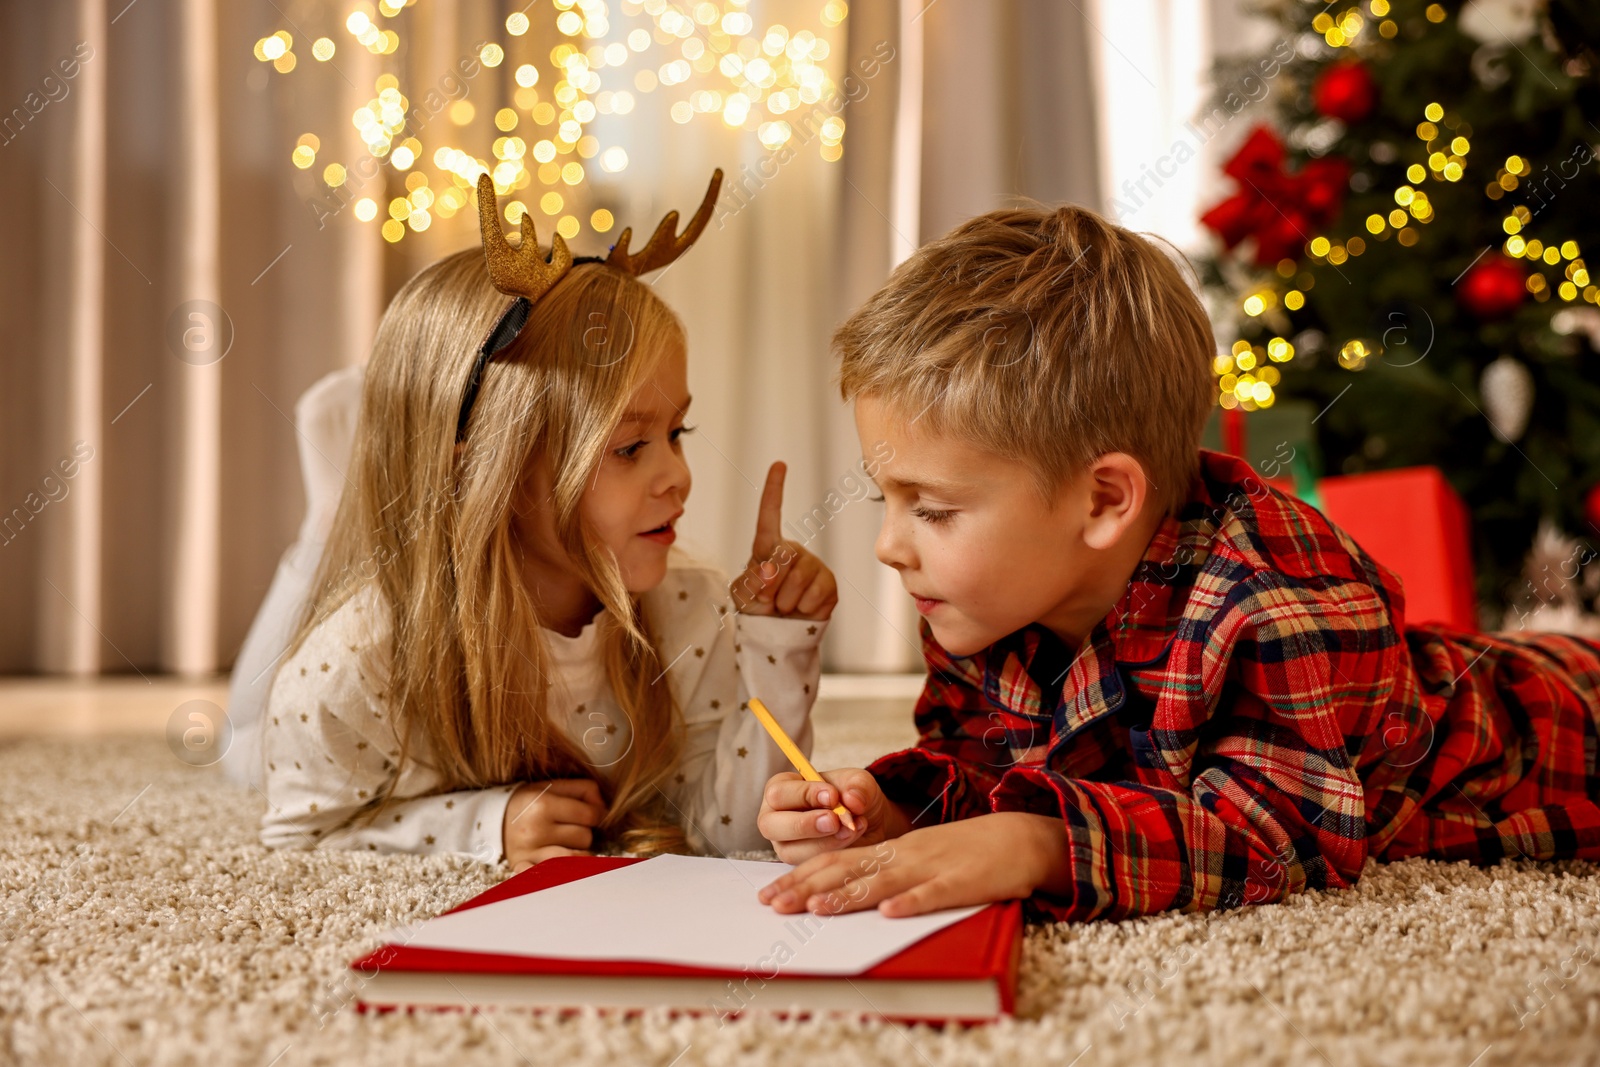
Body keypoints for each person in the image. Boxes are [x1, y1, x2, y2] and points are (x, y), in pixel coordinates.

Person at [755, 203, 1600, 921]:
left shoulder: (1279, 598)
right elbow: (980, 765)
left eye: (932, 509)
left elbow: (1273, 841)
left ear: (1103, 500)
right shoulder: (976, 596)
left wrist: (1041, 843)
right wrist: (892, 806)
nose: (888, 546)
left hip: (1560, 725)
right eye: (887, 500)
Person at [261, 170, 838, 871]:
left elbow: (731, 833)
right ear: (486, 474)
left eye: (679, 432)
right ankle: (324, 525)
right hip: (316, 697)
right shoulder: (349, 665)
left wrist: (779, 650)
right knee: (241, 742)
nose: (679, 475)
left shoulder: (689, 605)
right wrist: (480, 824)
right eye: (629, 447)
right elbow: (300, 839)